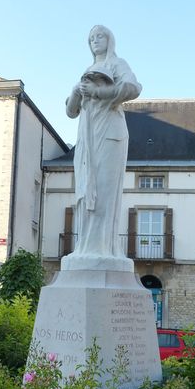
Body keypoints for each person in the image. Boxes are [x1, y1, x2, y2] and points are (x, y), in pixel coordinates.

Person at [63, 25, 142, 266]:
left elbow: (134, 88)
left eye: (100, 36)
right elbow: (70, 111)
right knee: (85, 191)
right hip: (87, 137)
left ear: (110, 40)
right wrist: (77, 92)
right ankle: (85, 246)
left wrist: (101, 91)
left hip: (110, 134)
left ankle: (105, 248)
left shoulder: (117, 64)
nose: (95, 41)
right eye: (91, 38)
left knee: (105, 193)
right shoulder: (87, 70)